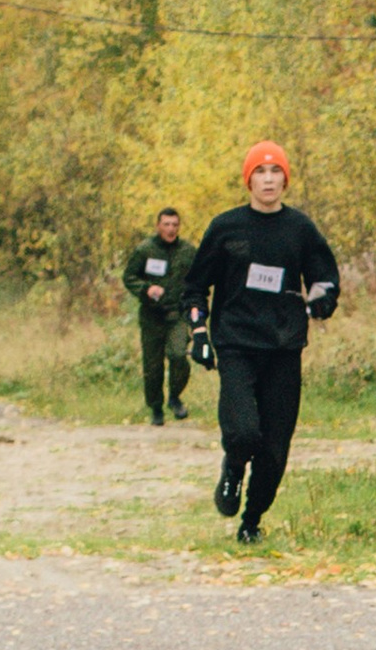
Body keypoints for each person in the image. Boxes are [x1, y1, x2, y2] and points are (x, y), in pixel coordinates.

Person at [184, 142, 340, 544]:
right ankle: (233, 468)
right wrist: (199, 333)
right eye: (260, 172)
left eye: (275, 172)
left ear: (285, 180)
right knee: (243, 433)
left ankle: (251, 521)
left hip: (284, 347)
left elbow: (324, 277)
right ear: (248, 180)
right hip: (236, 343)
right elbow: (196, 286)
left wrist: (321, 300)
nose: (268, 180)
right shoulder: (226, 227)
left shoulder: (300, 228)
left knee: (274, 449)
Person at [121, 206, 194, 426]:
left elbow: (198, 279)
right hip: (152, 316)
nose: (171, 229)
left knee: (178, 355)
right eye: (166, 224)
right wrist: (146, 289)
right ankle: (156, 407)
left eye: (175, 225)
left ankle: (175, 397)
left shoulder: (188, 251)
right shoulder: (145, 250)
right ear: (158, 226)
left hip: (177, 315)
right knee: (153, 367)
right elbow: (129, 277)